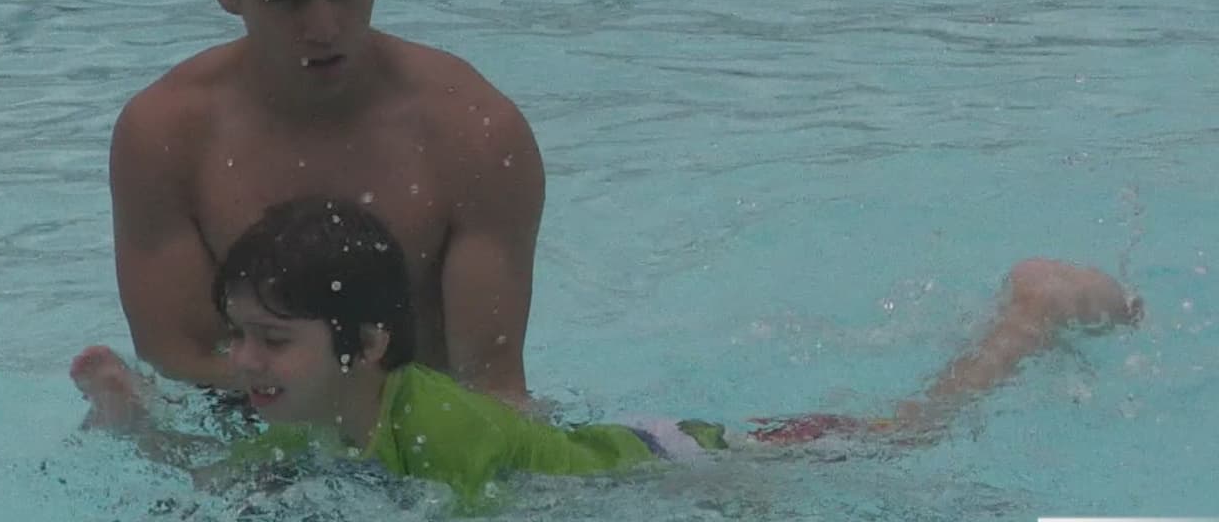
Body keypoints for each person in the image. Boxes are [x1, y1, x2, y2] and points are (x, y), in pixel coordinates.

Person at [72, 196, 1144, 511]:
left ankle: (1034, 313)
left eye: (274, 338)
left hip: (686, 469)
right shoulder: (310, 417)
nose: (245, 359)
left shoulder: (434, 425)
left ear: (366, 345)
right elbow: (220, 485)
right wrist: (133, 429)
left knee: (907, 440)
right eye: (239, 334)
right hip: (620, 463)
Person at [108, 0, 543, 406]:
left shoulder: (473, 134)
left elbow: (491, 389)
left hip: (416, 437)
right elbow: (183, 362)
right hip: (247, 428)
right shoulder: (166, 136)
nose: (324, 28)